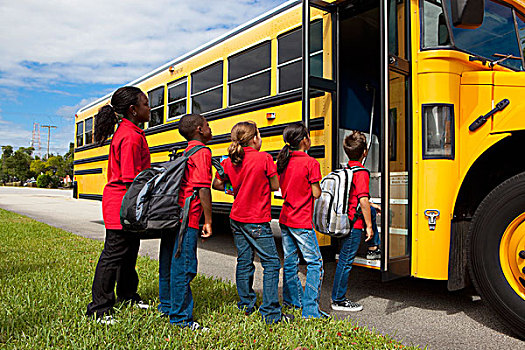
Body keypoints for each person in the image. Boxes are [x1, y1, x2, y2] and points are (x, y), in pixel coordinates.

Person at [212, 121, 292, 324]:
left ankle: (246, 304)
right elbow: (275, 186)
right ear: (255, 138)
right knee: (272, 263)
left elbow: (217, 185)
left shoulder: (229, 161)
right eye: (260, 134)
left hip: (236, 217)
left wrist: (238, 186)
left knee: (245, 261)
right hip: (256, 218)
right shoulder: (264, 158)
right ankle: (271, 312)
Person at [86, 86, 151, 324]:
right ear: (133, 110)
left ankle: (127, 295)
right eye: (145, 104)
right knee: (113, 255)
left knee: (129, 253)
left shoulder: (131, 132)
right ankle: (99, 308)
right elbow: (131, 178)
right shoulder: (130, 136)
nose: (149, 107)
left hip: (126, 202)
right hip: (122, 203)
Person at [158, 114, 213, 331]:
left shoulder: (185, 152)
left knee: (168, 263)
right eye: (207, 126)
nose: (210, 129)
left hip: (171, 215)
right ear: (199, 129)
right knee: (184, 266)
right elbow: (202, 188)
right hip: (187, 218)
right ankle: (181, 318)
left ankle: (167, 305)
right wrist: (207, 220)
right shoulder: (202, 152)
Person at [276, 123, 326, 319]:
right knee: (315, 263)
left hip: (285, 218)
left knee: (290, 261)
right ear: (305, 139)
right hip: (301, 220)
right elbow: (316, 193)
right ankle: (311, 310)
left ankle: (292, 301)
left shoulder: (283, 161)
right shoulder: (311, 163)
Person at [331, 130, 381, 312]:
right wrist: (369, 226)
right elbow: (362, 200)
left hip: (344, 220)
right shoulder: (362, 173)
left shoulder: (346, 170)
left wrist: (372, 208)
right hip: (354, 224)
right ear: (365, 152)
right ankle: (338, 300)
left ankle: (338, 297)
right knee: (345, 262)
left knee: (344, 260)